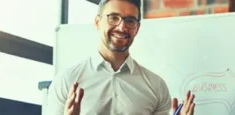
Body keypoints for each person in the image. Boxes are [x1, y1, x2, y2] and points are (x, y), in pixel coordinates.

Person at [46, 0, 195, 115]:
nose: (122, 27)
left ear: (137, 28)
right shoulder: (66, 81)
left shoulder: (156, 86)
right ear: (97, 22)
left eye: (130, 21)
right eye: (113, 18)